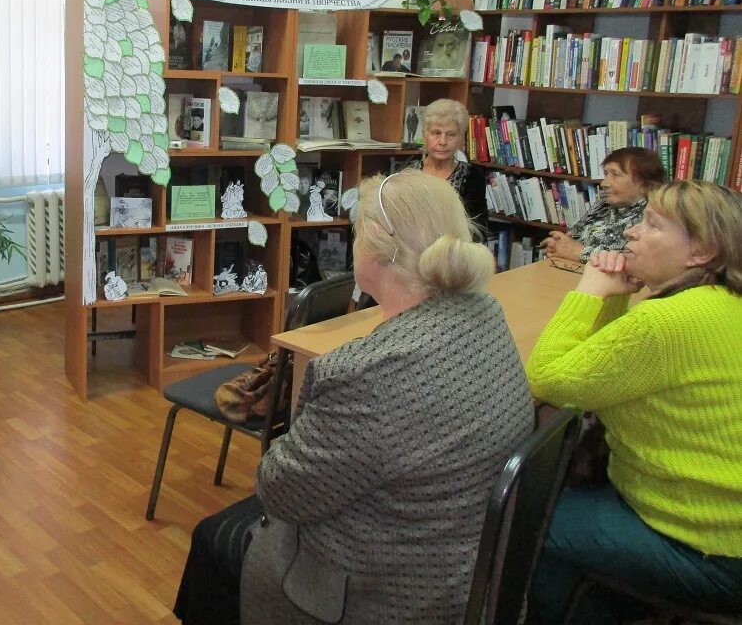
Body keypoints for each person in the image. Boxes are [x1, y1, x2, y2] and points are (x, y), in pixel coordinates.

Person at [174, 170, 533, 624]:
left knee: (213, 538)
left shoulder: (366, 373)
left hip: (383, 594)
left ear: (376, 247)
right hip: (466, 572)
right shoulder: (485, 312)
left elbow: (282, 493)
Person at [526, 180, 742, 623]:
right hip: (721, 530)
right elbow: (606, 366)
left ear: (700, 252)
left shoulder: (666, 322)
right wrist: (615, 296)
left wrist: (587, 288)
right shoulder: (719, 302)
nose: (631, 233)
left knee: (529, 520)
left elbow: (547, 379)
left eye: (652, 225)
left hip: (712, 550)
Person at [541, 146, 663, 263]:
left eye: (615, 174)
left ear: (644, 183)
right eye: (606, 174)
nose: (604, 183)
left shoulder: (655, 216)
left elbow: (635, 263)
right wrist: (557, 245)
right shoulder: (603, 205)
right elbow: (572, 237)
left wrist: (578, 252)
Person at [408, 97, 488, 237]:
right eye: (436, 133)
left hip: (453, 251)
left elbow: (478, 230)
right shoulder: (408, 172)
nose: (443, 142)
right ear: (424, 135)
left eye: (451, 134)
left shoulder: (472, 176)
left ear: (461, 139)